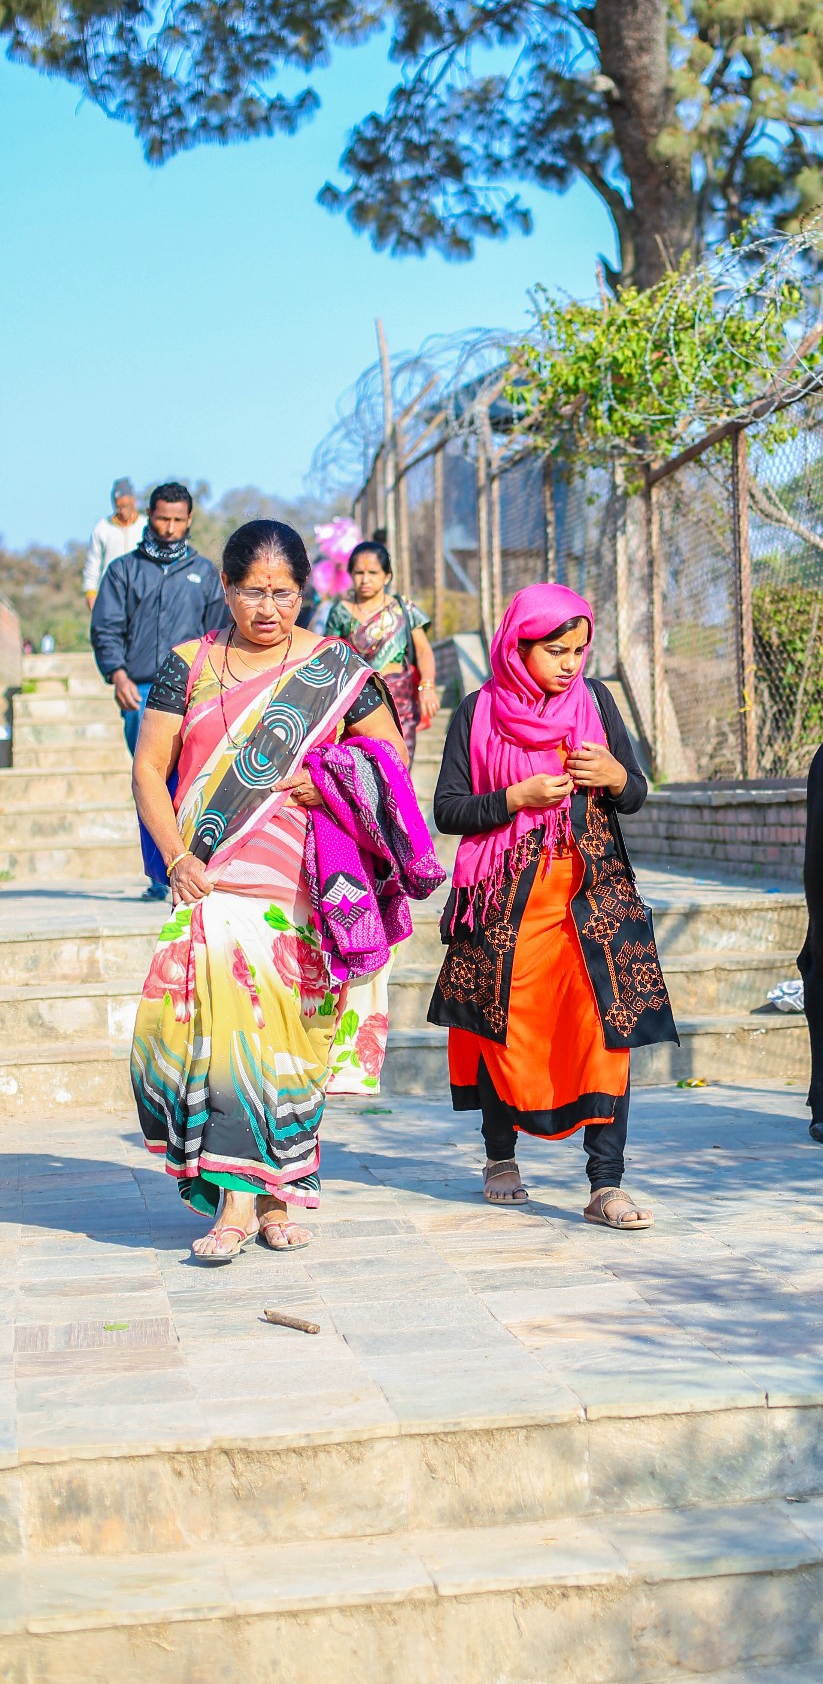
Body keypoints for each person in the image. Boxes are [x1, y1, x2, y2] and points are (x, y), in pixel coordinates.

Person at [128, 519, 411, 1263]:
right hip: (216, 882)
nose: (268, 609)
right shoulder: (187, 666)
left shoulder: (335, 665)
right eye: (252, 592)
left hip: (310, 887)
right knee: (226, 1044)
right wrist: (177, 856)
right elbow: (148, 770)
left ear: (304, 594)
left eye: (283, 593)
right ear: (225, 589)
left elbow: (392, 756)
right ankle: (234, 1203)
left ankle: (283, 1193)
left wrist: (327, 779)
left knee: (294, 1045)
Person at [427, 583, 677, 1228]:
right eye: (555, 650)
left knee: (605, 1030)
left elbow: (638, 790)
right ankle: (501, 1157)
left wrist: (616, 779)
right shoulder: (478, 710)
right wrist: (515, 796)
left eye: (578, 650)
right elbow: (448, 809)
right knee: (501, 1031)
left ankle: (606, 1183)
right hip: (504, 902)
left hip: (592, 897)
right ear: (518, 645)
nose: (570, 663)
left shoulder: (596, 701)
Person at [91, 483, 228, 899]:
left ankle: (198, 865)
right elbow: (106, 628)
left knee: (196, 779)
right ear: (149, 516)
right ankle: (160, 874)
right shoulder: (122, 570)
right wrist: (117, 675)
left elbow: (220, 631)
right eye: (162, 518)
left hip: (196, 690)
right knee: (151, 779)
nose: (169, 527)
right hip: (142, 691)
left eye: (177, 520)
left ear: (189, 521)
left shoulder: (205, 573)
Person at [325, 541, 439, 764]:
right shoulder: (341, 611)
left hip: (401, 702)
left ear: (387, 576)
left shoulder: (402, 608)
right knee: (363, 769)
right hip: (356, 702)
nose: (365, 579)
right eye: (359, 572)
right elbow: (329, 655)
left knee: (398, 767)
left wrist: (427, 685)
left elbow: (424, 650)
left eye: (373, 572)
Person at [83, 478, 145, 611]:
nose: (122, 511)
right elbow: (92, 565)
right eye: (118, 507)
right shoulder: (102, 528)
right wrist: (91, 594)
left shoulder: (145, 526)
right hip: (111, 596)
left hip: (140, 596)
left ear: (133, 501)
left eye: (126, 506)